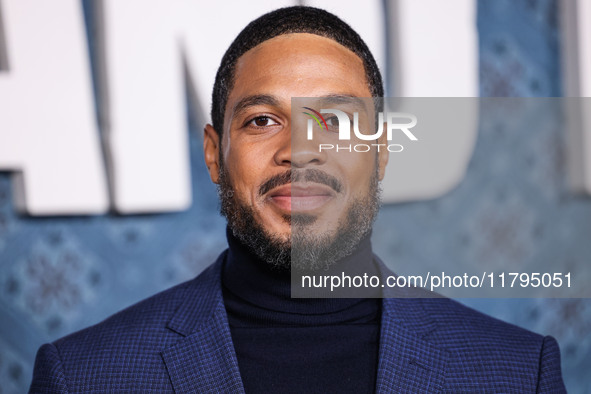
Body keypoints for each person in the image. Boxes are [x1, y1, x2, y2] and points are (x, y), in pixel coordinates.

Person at [30, 6, 566, 393]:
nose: (300, 152)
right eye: (263, 121)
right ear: (216, 154)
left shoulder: (517, 372)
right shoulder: (82, 375)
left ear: (379, 153)